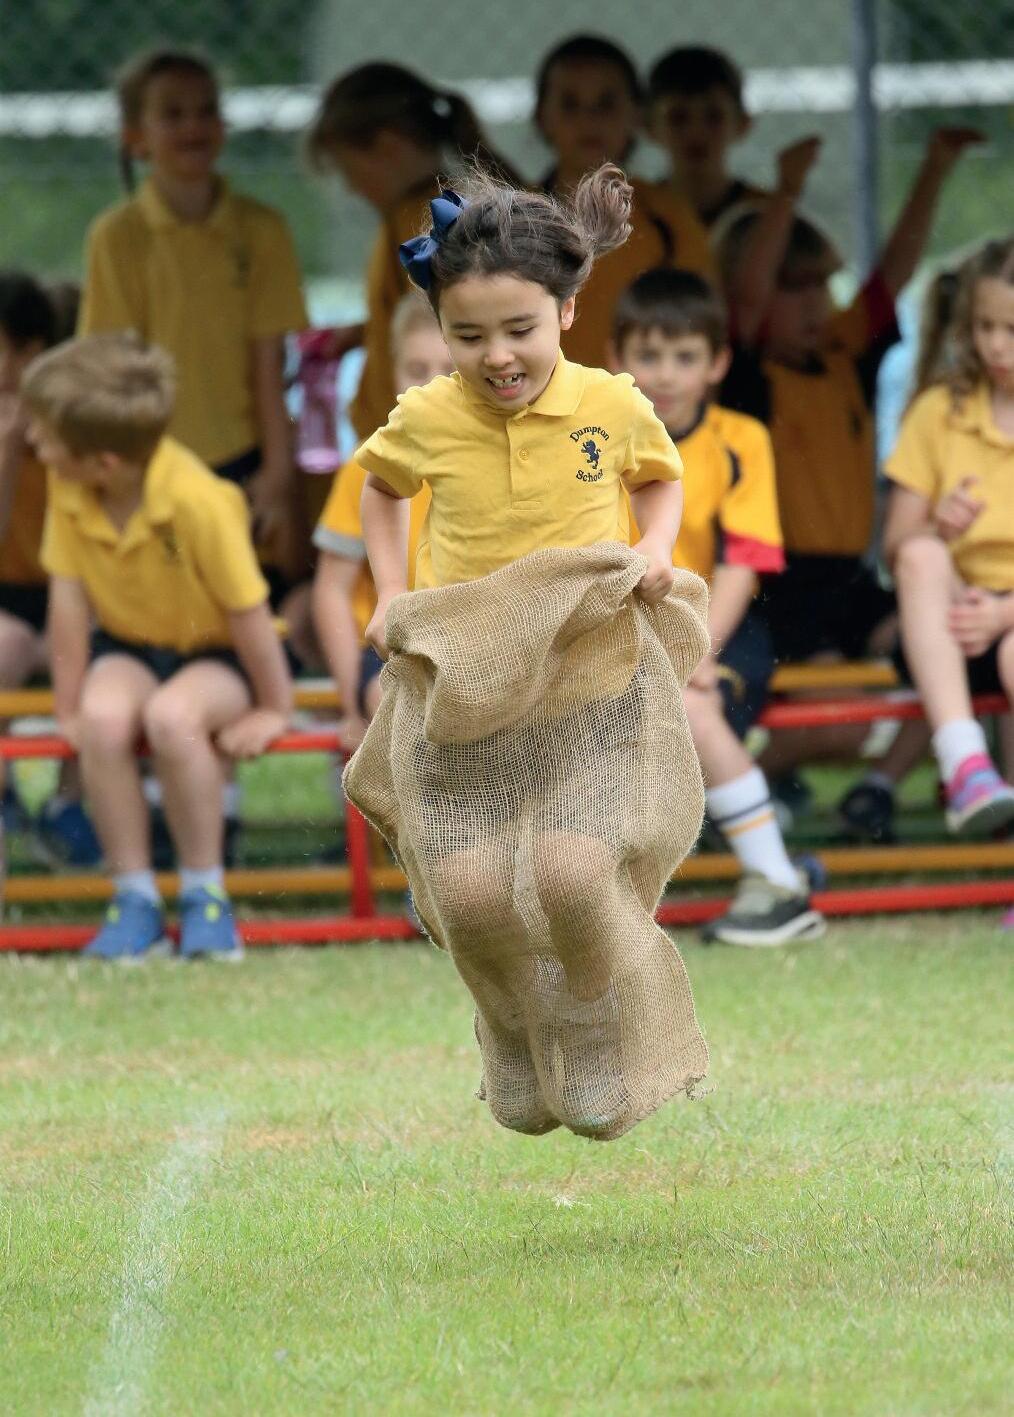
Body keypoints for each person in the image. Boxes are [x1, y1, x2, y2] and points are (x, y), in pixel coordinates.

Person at [356, 166, 690, 1130]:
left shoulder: (609, 404)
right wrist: (389, 592)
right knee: (467, 892)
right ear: (440, 329)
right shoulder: (427, 415)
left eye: (519, 330)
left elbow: (658, 477)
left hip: (588, 683)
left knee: (572, 875)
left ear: (567, 311)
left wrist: (655, 548)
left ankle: (587, 1021)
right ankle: (511, 1024)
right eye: (468, 336)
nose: (497, 356)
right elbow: (380, 490)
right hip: (471, 691)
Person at [718, 128, 982, 831]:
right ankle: (728, 794)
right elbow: (746, 298)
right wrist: (786, 192)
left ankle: (877, 788)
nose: (813, 304)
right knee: (838, 723)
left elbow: (892, 275)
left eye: (820, 286)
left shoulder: (844, 360)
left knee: (952, 641)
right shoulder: (747, 377)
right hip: (782, 586)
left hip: (852, 581)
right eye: (793, 287)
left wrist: (934, 167)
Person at [23, 334, 293, 960]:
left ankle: (204, 892)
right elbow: (69, 604)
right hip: (130, 644)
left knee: (172, 717)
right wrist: (67, 706)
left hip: (217, 654)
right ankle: (135, 898)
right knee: (102, 719)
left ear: (103, 464)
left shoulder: (199, 501)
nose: (33, 442)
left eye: (44, 435)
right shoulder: (70, 486)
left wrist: (274, 707)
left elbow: (249, 614)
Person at [612, 268, 823, 945]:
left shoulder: (741, 438)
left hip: (718, 626)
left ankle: (778, 883)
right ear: (616, 359)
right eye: (649, 355)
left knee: (690, 704)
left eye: (685, 357)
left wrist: (695, 645)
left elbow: (743, 562)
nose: (665, 374)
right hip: (618, 629)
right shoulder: (595, 441)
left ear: (718, 363)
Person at [79, 47, 307, 583]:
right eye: (173, 113)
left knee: (252, 600)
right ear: (136, 136)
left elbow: (269, 367)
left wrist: (277, 474)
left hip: (243, 464)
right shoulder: (117, 238)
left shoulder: (262, 231)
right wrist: (129, 478)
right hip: (153, 462)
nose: (193, 126)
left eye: (206, 110)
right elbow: (116, 371)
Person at [306, 63, 518, 442]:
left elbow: (438, 329)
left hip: (420, 440)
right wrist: (366, 331)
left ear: (388, 147)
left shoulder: (425, 218)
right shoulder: (431, 211)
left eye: (350, 171)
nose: (352, 189)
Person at [882, 236, 1014, 838]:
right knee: (921, 552)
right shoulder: (938, 411)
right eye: (985, 326)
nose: (995, 345)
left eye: (1011, 330)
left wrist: (1004, 613)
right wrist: (939, 526)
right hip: (947, 626)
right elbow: (896, 545)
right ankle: (965, 768)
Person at [312, 295, 451, 750]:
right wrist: (349, 703)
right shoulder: (367, 466)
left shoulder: (503, 460)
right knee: (405, 707)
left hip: (475, 642)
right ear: (392, 372)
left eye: (449, 371)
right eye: (416, 370)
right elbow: (332, 591)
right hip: (390, 653)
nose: (433, 387)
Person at [534, 35, 714, 371]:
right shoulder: (516, 219)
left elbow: (703, 326)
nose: (589, 119)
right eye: (570, 104)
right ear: (542, 116)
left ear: (636, 115)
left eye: (606, 103)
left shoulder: (668, 217)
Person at [0, 273, 101, 863]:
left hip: (75, 595)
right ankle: (5, 796)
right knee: (5, 646)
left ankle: (70, 801)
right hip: (9, 599)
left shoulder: (77, 429)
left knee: (95, 651)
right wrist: (8, 449)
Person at [645, 46, 769, 231]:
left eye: (714, 117)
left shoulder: (765, 214)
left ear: (743, 123)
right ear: (648, 126)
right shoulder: (634, 214)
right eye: (678, 118)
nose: (696, 132)